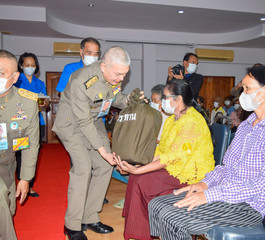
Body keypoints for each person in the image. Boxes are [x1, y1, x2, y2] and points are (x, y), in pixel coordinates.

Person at [148, 66, 265, 240]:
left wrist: (210, 195)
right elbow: (226, 167)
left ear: (264, 92)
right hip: (225, 192)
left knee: (172, 217)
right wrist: (205, 184)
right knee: (156, 205)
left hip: (249, 205)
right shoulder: (247, 125)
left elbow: (263, 186)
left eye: (247, 88)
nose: (243, 93)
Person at [115, 79, 215, 240]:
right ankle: (141, 231)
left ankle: (145, 232)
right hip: (175, 166)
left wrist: (137, 169)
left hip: (191, 173)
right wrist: (137, 164)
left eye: (165, 97)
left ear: (179, 99)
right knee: (136, 177)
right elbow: (161, 151)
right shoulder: (171, 119)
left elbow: (172, 158)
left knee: (142, 180)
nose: (162, 102)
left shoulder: (192, 122)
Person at [52, 46, 135, 240]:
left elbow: (116, 99)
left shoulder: (112, 76)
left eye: (125, 74)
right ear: (104, 66)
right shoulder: (82, 80)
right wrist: (102, 150)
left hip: (95, 122)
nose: (121, 79)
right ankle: (72, 225)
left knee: (105, 165)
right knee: (83, 168)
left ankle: (90, 216)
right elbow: (83, 122)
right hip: (72, 125)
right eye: (118, 74)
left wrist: (132, 99)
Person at [0, 50, 39, 240]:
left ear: (15, 77)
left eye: (1, 73)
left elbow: (30, 144)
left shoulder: (27, 103)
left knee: (8, 209)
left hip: (7, 163)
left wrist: (25, 178)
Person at [14, 52, 48, 197]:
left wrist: (45, 104)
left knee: (33, 153)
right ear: (21, 66)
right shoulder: (16, 81)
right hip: (20, 123)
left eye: (32, 65)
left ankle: (29, 185)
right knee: (20, 155)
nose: (30, 67)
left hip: (37, 122)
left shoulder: (40, 83)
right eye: (27, 65)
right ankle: (19, 182)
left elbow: (44, 104)